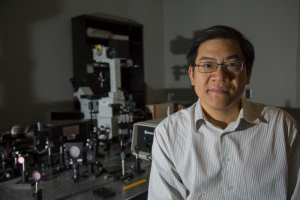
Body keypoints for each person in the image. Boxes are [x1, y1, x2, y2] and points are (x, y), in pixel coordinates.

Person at [148, 25, 300, 200]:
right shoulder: (168, 132)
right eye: (207, 65)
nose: (220, 75)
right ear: (192, 74)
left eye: (232, 64)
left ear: (248, 73)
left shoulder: (282, 126)